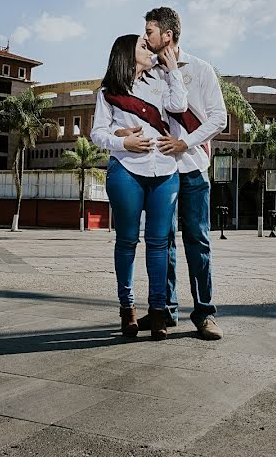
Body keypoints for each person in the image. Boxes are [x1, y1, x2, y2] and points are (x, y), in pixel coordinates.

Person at [118, 7, 227, 340]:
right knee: (161, 242)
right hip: (158, 171)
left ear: (167, 35)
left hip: (192, 169)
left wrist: (186, 143)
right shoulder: (145, 73)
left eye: (149, 31)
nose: (145, 37)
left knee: (198, 241)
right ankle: (163, 312)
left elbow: (219, 119)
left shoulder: (201, 69)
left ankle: (205, 314)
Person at [91, 34, 188, 340]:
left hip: (164, 171)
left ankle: (158, 311)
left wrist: (173, 71)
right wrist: (124, 141)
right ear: (126, 54)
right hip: (127, 172)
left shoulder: (160, 82)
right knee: (127, 241)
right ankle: (127, 310)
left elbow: (179, 104)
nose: (150, 50)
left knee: (160, 244)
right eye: (143, 47)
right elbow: (97, 133)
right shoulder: (107, 92)